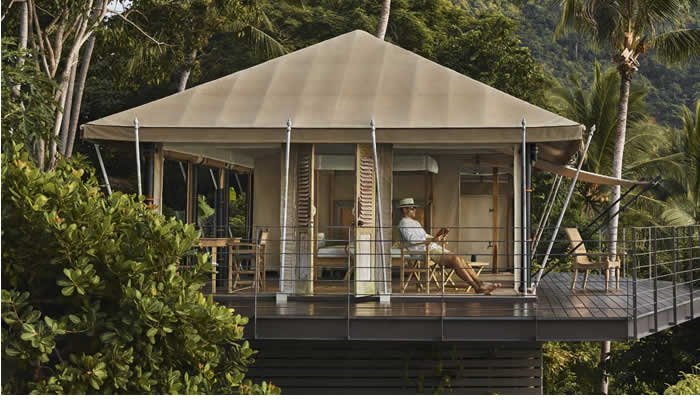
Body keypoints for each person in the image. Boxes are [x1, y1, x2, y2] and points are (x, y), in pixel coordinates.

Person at [397, 198, 501, 294]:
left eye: (415, 208)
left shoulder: (415, 223)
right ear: (405, 210)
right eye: (412, 208)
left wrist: (437, 236)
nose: (415, 210)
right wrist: (432, 240)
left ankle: (480, 284)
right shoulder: (403, 223)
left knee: (460, 259)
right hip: (422, 251)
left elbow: (424, 236)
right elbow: (413, 240)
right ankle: (477, 287)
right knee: (455, 260)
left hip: (431, 247)